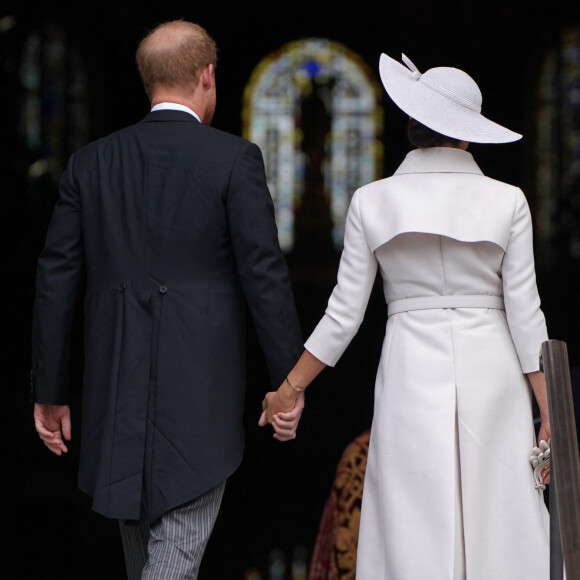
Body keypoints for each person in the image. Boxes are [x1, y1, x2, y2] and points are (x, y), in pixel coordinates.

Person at [260, 53, 551, 579]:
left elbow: (342, 316)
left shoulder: (373, 201)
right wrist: (549, 413)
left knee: (412, 520)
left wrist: (290, 388)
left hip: (410, 372)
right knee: (498, 517)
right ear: (467, 136)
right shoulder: (508, 201)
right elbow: (526, 316)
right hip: (494, 372)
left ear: (412, 126)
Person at [31, 20, 304, 580]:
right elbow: (265, 275)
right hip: (199, 400)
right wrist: (289, 381)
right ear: (207, 76)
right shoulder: (234, 158)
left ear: (148, 81)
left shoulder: (91, 162)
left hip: (112, 396)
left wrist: (49, 390)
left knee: (150, 566)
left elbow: (55, 280)